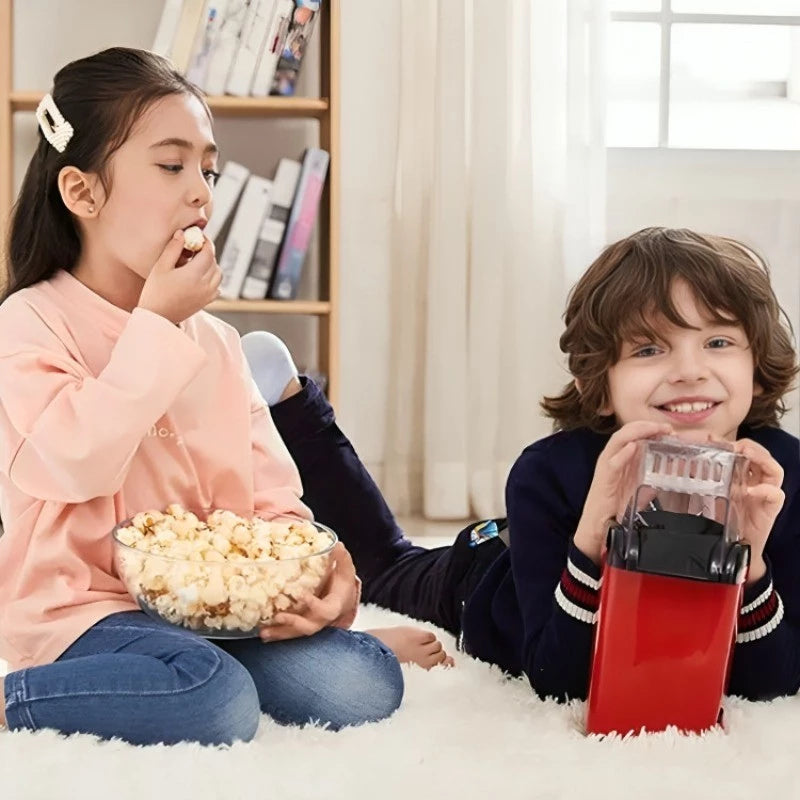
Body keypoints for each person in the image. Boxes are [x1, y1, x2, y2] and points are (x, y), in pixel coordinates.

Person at [0, 46, 459, 747]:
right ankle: (22, 699)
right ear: (82, 193)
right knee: (213, 700)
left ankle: (232, 666)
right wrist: (156, 324)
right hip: (82, 611)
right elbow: (74, 463)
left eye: (208, 171)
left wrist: (322, 581)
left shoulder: (215, 342)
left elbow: (274, 503)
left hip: (213, 610)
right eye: (171, 165)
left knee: (361, 684)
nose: (202, 195)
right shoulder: (30, 322)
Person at [459, 227, 800, 703]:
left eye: (718, 342)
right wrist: (593, 534)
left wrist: (751, 560)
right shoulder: (547, 474)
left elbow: (776, 683)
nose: (690, 371)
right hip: (489, 568)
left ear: (757, 368)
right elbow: (558, 682)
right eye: (648, 349)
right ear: (600, 385)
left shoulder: (783, 477)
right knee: (392, 568)